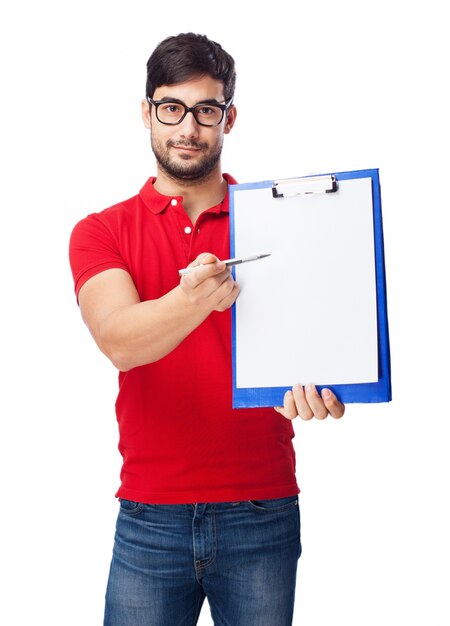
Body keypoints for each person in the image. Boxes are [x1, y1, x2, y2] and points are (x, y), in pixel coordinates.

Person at [69, 32, 345, 626]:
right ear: (147, 113)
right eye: (171, 108)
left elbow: (315, 337)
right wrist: (193, 300)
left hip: (262, 508)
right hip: (149, 514)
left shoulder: (280, 226)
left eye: (206, 110)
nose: (187, 128)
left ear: (229, 118)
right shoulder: (101, 231)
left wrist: (325, 384)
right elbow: (119, 341)